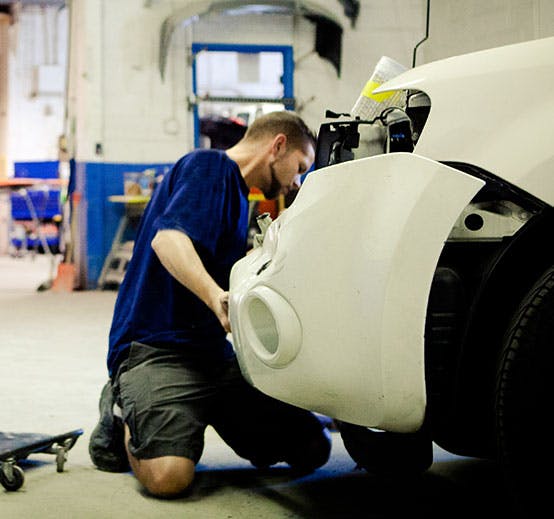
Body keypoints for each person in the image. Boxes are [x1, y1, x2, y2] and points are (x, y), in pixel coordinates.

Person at [89, 111, 332, 498]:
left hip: (211, 357)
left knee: (313, 449)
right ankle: (122, 415)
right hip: (156, 351)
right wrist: (215, 296)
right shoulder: (209, 167)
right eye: (300, 167)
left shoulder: (239, 198)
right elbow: (166, 241)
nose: (296, 181)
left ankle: (191, 414)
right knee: (170, 477)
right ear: (278, 146)